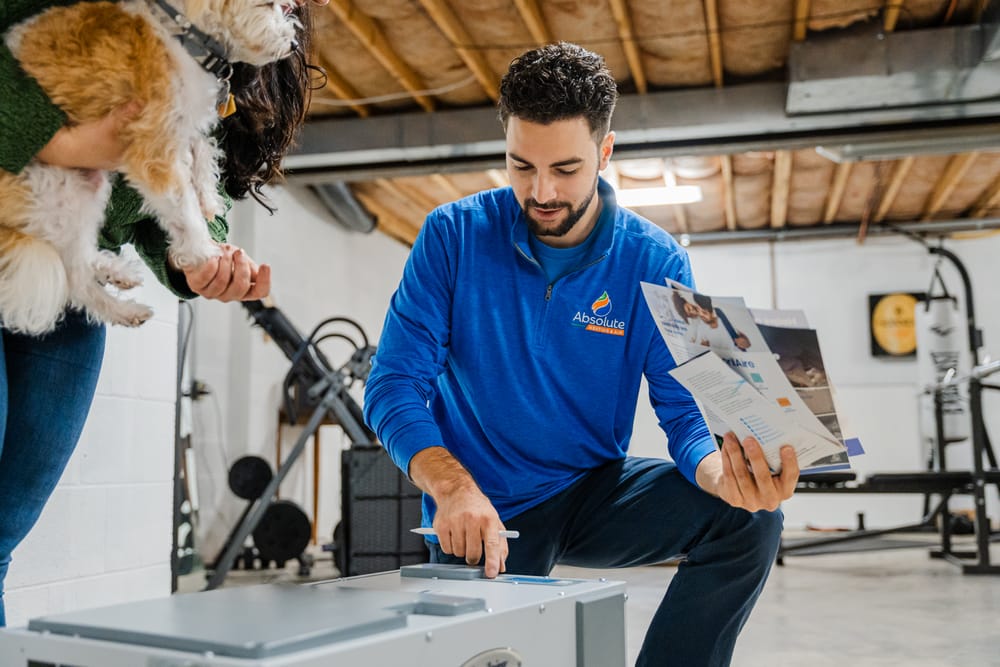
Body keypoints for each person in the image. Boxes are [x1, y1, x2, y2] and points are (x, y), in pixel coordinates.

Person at [364, 42, 800, 666]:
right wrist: (451, 488)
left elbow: (683, 410)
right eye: (520, 166)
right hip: (480, 507)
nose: (541, 192)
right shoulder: (451, 236)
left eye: (566, 170)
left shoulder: (655, 260)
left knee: (749, 521)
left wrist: (719, 475)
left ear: (605, 152)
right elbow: (394, 385)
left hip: (590, 491)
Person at [0, 0, 328, 627]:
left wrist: (199, 258)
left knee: (0, 536)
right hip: (15, 224)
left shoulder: (238, 45)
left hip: (71, 275)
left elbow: (188, 167)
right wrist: (60, 142)